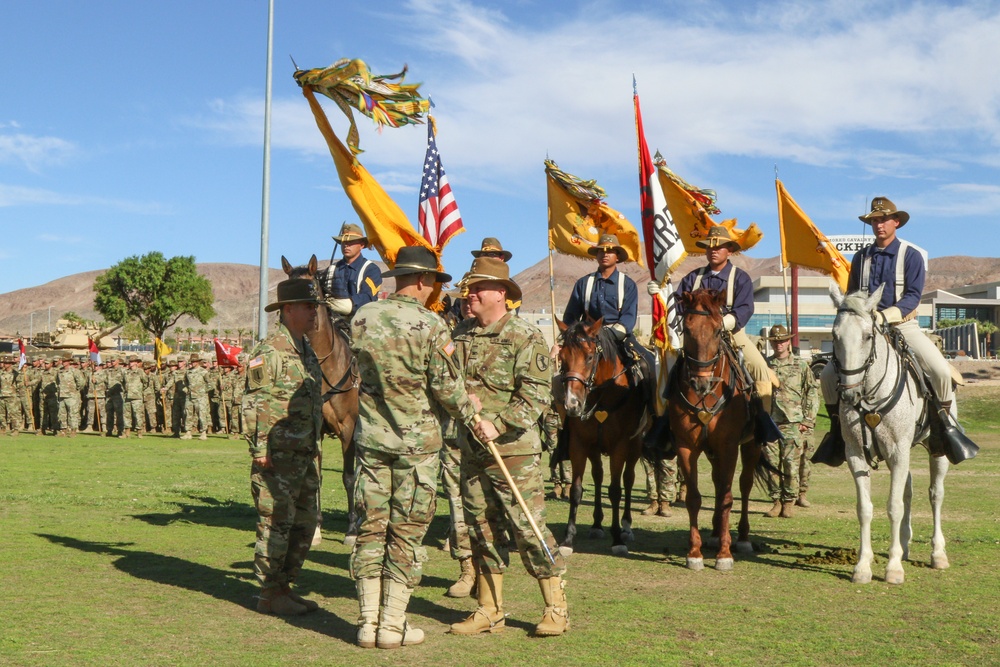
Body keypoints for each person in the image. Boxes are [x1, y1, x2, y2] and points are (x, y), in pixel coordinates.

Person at [349, 246, 479, 649]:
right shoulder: (431, 324)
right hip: (417, 447)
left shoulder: (363, 317)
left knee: (371, 528)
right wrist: (474, 417)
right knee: (406, 531)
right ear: (422, 281)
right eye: (435, 283)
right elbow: (445, 387)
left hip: (370, 441)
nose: (435, 291)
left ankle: (367, 622)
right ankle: (392, 625)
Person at [450, 256, 570, 638]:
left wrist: (497, 422)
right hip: (472, 451)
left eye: (477, 289)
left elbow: (536, 395)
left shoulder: (525, 337)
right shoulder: (461, 335)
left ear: (500, 294)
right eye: (467, 290)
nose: (468, 296)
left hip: (514, 451)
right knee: (481, 529)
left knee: (529, 528)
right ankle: (489, 609)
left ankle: (556, 608)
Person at [815, 196, 974, 466]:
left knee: (940, 371)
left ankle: (945, 429)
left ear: (896, 222)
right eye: (874, 220)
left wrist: (884, 315)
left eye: (884, 220)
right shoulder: (860, 257)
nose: (879, 225)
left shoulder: (910, 256)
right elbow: (853, 294)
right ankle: (836, 432)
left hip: (903, 325)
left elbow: (913, 296)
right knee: (829, 376)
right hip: (867, 329)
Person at [242, 278, 324, 616]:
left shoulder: (305, 349)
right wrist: (259, 447)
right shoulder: (270, 350)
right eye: (308, 307)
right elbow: (253, 401)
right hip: (276, 455)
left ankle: (284, 586)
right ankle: (268, 593)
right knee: (276, 523)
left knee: (304, 524)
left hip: (304, 453)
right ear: (288, 310)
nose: (314, 313)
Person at [674, 226, 776, 413]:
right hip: (697, 336)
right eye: (710, 247)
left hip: (733, 333)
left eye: (719, 247)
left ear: (729, 251)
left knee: (761, 369)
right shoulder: (692, 278)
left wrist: (723, 323)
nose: (713, 251)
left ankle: (763, 422)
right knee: (672, 367)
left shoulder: (740, 277)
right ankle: (664, 420)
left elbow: (745, 308)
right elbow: (678, 302)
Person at [763, 325, 818, 518]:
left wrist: (808, 420)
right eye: (776, 341)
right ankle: (776, 501)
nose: (779, 344)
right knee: (771, 463)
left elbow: (811, 392)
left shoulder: (800, 365)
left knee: (790, 463)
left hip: (792, 421)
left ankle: (788, 502)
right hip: (770, 422)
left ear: (789, 342)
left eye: (783, 340)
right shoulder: (765, 365)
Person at [320, 222, 383, 318]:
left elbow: (369, 297)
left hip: (361, 321)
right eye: (344, 242)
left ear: (362, 245)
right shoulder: (331, 269)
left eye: (351, 242)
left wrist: (345, 305)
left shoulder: (371, 269)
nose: (346, 245)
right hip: (332, 321)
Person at [184, 355, 210, 440]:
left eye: (194, 361)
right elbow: (186, 383)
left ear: (198, 362)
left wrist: (203, 391)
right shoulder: (188, 372)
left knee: (202, 415)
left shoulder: (204, 372)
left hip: (201, 397)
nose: (193, 363)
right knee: (188, 414)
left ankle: (203, 433)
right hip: (190, 396)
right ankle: (188, 432)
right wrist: (186, 389)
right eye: (192, 361)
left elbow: (210, 384)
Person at [122, 356, 148, 439]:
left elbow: (146, 382)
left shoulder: (140, 372)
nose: (131, 363)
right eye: (130, 362)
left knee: (138, 415)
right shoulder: (126, 372)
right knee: (126, 415)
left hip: (137, 397)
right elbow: (123, 383)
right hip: (127, 396)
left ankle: (139, 432)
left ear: (136, 362)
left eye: (133, 361)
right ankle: (127, 432)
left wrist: (138, 390)